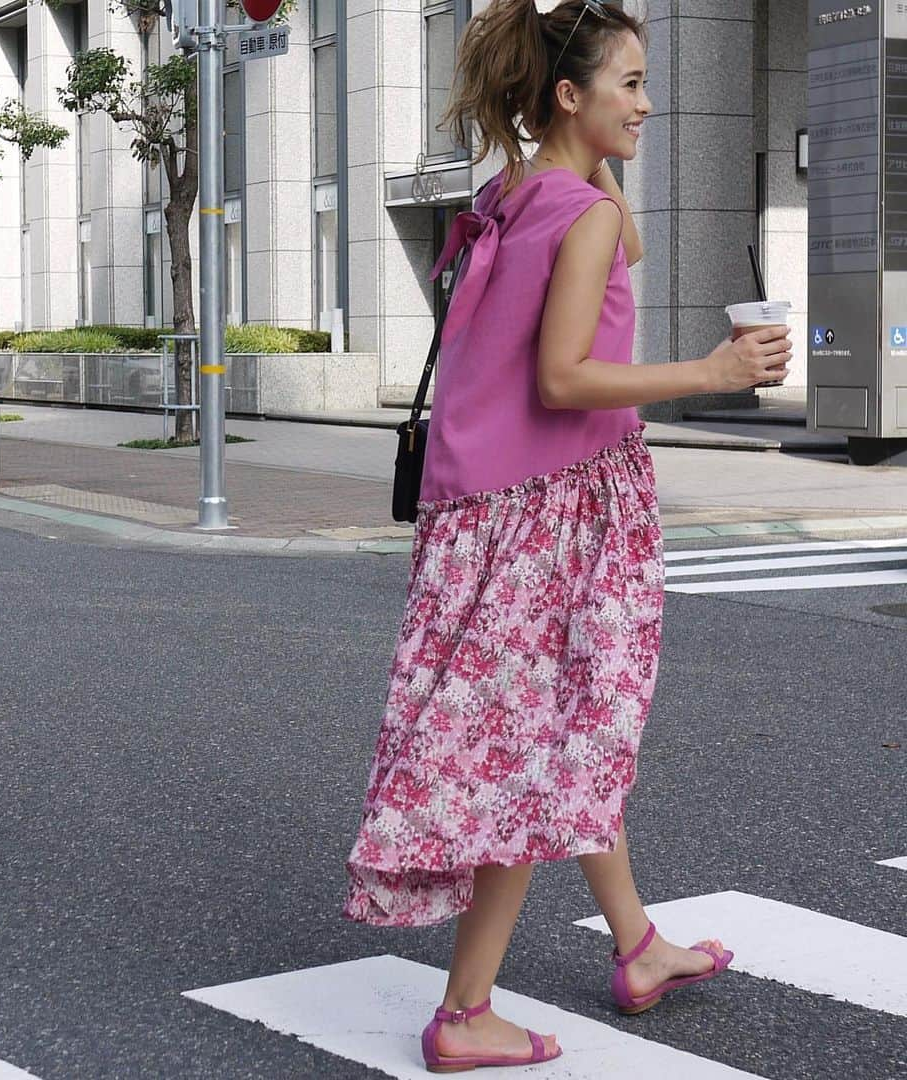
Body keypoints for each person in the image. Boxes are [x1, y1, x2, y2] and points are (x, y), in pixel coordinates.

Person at [342, 0, 792, 1072]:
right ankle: (463, 1012)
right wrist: (716, 374)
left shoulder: (512, 195)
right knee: (537, 755)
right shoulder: (577, 214)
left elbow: (581, 276)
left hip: (485, 514)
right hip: (560, 510)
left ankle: (637, 945)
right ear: (568, 94)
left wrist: (595, 162)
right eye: (628, 83)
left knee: (572, 734)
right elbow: (563, 377)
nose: (647, 101)